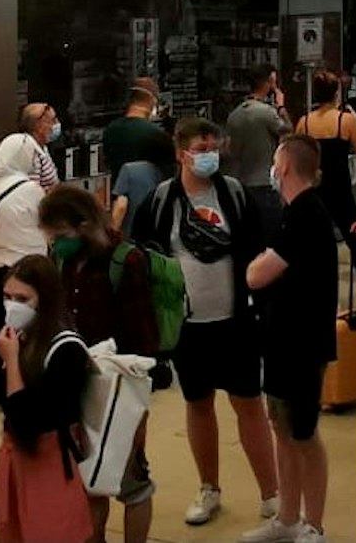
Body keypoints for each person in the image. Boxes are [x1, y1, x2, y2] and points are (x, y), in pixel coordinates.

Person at [131, 118, 278, 529]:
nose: (208, 153)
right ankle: (209, 487)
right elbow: (143, 255)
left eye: (213, 145)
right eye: (200, 146)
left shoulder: (234, 195)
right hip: (187, 327)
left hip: (236, 322)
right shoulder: (162, 202)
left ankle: (271, 494)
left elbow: (260, 250)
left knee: (250, 404)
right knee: (198, 405)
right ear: (181, 152)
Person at [38, 185, 159, 543]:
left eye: (61, 235)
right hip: (79, 380)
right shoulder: (65, 260)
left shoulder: (127, 261)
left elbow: (144, 338)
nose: (56, 243)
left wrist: (139, 414)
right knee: (88, 481)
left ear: (86, 224)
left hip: (121, 384)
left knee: (131, 480)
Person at [242, 136, 336, 543]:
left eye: (276, 161)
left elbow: (258, 273)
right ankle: (287, 517)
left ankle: (313, 524)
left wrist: (258, 265)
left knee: (303, 433)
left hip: (303, 343)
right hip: (280, 339)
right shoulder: (290, 213)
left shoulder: (306, 213)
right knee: (280, 425)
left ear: (283, 168)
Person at [0, 256, 91, 543]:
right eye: (7, 297)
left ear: (44, 300)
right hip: (15, 458)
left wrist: (12, 362)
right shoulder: (17, 338)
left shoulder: (66, 350)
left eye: (22, 298)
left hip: (50, 465)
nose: (12, 306)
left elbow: (27, 420)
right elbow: (5, 407)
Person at [292, 71, 356, 280]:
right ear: (336, 93)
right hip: (340, 189)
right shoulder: (346, 120)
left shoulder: (304, 122)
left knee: (312, 243)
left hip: (314, 190)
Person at [0, 133, 50, 339]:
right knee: (26, 322)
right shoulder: (30, 189)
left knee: (0, 316)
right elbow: (45, 222)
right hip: (27, 265)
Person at [226, 66, 293, 237]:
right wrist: (281, 106)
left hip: (241, 182)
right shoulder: (267, 113)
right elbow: (288, 129)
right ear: (267, 83)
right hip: (264, 182)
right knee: (271, 233)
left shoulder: (235, 114)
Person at [102, 87, 174, 236]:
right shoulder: (154, 133)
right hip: (151, 207)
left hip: (121, 200)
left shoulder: (110, 130)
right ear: (149, 103)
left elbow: (106, 165)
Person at [14, 104, 63, 190]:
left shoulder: (42, 147)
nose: (57, 124)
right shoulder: (30, 152)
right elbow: (33, 191)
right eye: (53, 120)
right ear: (38, 125)